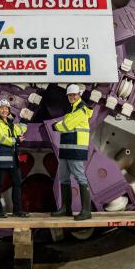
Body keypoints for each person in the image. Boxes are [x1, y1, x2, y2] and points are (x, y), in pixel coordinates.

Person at [51, 84, 93, 221]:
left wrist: (55, 125)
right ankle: (66, 208)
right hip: (66, 148)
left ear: (79, 95)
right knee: (63, 177)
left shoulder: (81, 110)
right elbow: (67, 123)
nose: (72, 97)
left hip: (76, 148)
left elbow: (66, 125)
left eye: (74, 95)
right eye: (69, 95)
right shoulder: (72, 110)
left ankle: (86, 211)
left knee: (80, 177)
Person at [0, 99, 29, 218]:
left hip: (12, 158)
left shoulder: (11, 124)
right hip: (1, 158)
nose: (4, 110)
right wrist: (16, 140)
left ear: (9, 111)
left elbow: (20, 130)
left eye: (6, 108)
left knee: (17, 183)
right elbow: (3, 139)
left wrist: (24, 119)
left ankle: (18, 210)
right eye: (2, 108)